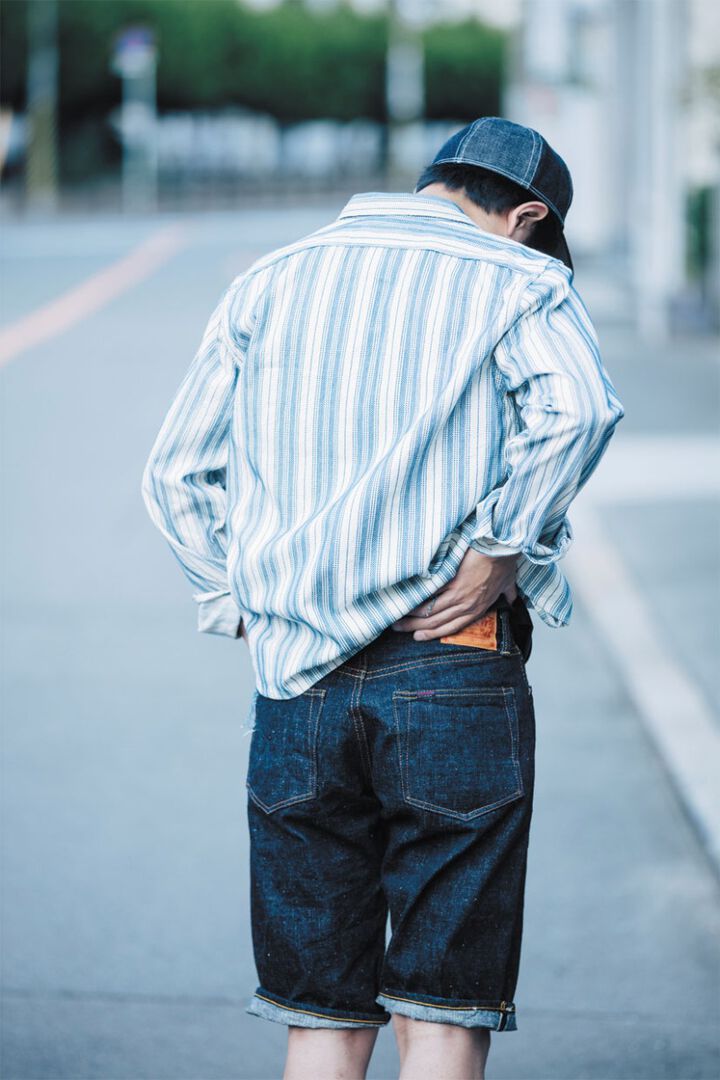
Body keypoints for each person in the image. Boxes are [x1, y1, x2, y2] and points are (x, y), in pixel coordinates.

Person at [141, 117, 625, 1080]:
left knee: (318, 1013)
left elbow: (175, 473)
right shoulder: (523, 281)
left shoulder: (271, 277)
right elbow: (579, 410)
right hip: (453, 667)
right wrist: (499, 548)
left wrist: (240, 600)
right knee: (443, 1010)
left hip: (296, 679)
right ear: (527, 216)